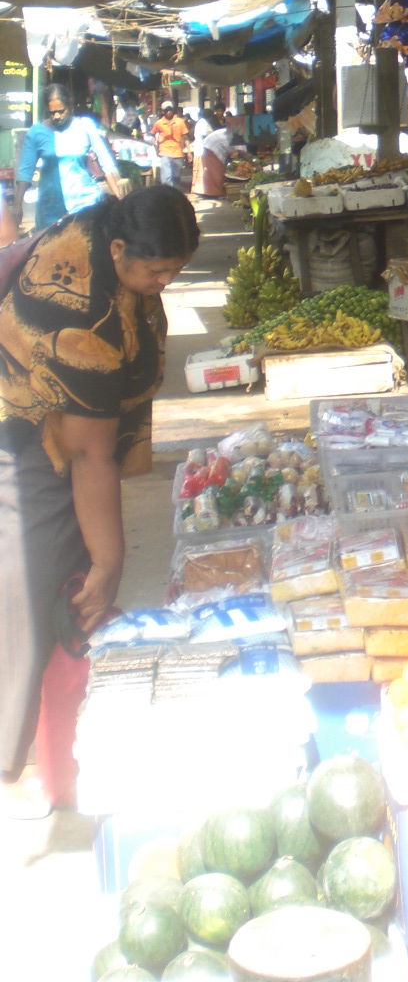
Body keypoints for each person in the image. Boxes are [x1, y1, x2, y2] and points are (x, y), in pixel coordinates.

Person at [0, 186, 199, 817]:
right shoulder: (80, 309)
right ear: (117, 251)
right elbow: (88, 456)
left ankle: (56, 752)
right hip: (23, 429)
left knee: (70, 586)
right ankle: (18, 758)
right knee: (29, 592)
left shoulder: (115, 239)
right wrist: (109, 561)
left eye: (176, 270)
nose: (166, 282)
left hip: (74, 427)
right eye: (157, 270)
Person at [13, 85, 124, 232]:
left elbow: (106, 163)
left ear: (70, 107)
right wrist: (17, 205)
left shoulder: (85, 126)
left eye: (61, 111)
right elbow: (25, 173)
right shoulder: (36, 133)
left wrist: (119, 197)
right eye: (52, 112)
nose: (57, 116)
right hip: (50, 210)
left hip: (84, 204)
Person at [195, 112, 238, 200]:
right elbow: (239, 151)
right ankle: (213, 193)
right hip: (210, 149)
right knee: (215, 172)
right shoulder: (231, 135)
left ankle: (212, 192)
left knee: (214, 172)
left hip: (210, 148)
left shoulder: (229, 133)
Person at [150, 100, 190, 191]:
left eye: (170, 109)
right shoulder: (159, 123)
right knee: (166, 177)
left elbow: (186, 137)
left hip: (178, 153)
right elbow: (153, 134)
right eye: (166, 110)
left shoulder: (180, 122)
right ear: (163, 111)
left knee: (176, 176)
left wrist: (189, 152)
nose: (169, 112)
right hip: (165, 153)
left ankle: (174, 192)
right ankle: (169, 194)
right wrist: (155, 145)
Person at [191, 105, 225, 193]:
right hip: (202, 150)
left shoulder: (203, 122)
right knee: (202, 172)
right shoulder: (203, 123)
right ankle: (203, 190)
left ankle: (202, 190)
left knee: (201, 172)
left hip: (203, 150)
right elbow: (205, 136)